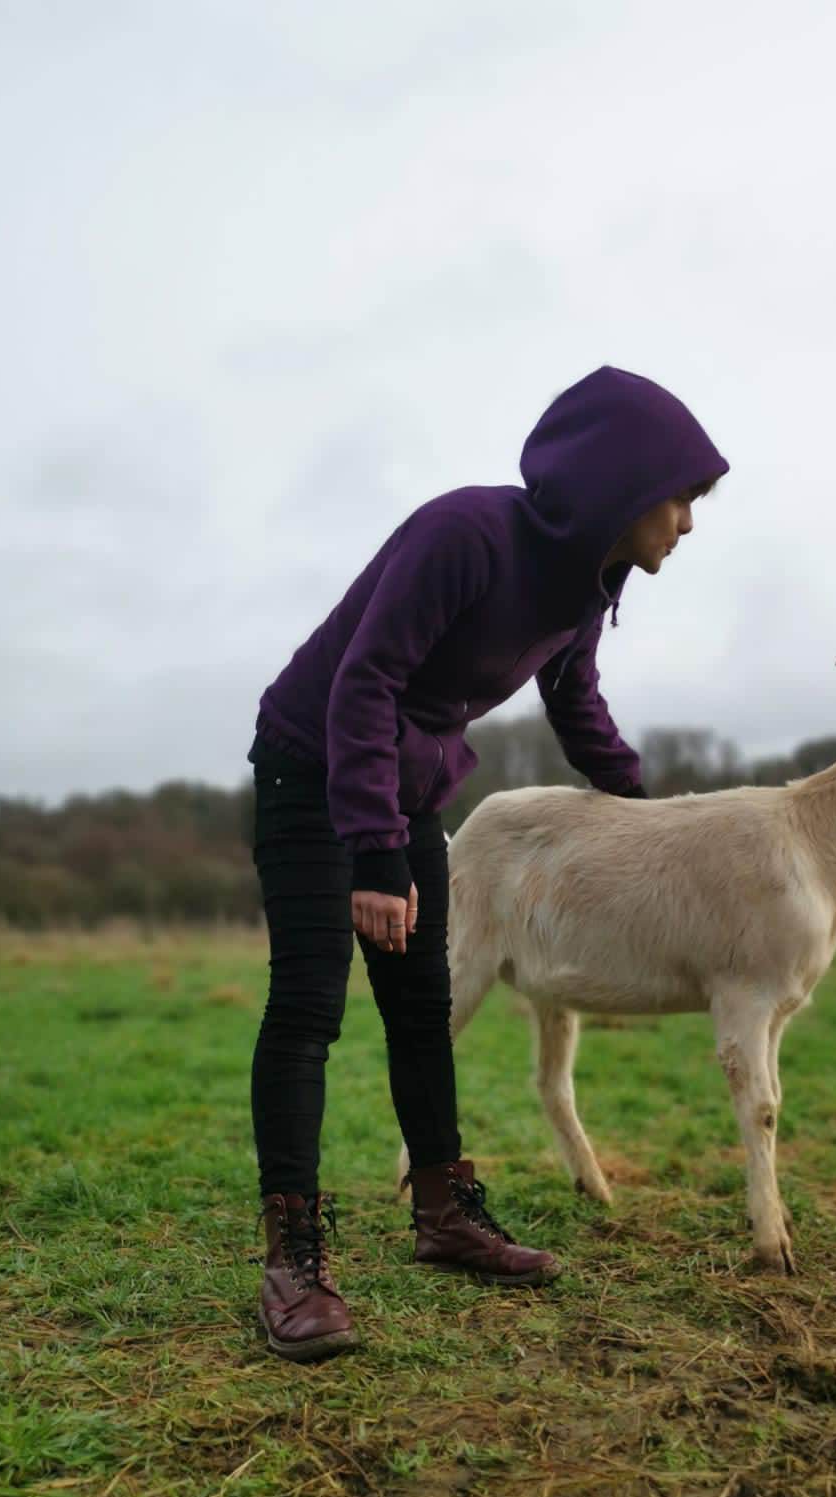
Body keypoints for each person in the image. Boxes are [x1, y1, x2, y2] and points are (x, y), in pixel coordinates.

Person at [248, 365, 728, 1361]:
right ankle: (292, 1259)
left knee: (421, 1007)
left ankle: (443, 1214)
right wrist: (377, 858)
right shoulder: (466, 535)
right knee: (307, 1009)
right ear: (621, 482)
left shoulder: (581, 585)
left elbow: (575, 703)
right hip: (312, 763)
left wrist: (646, 816)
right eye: (678, 496)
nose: (686, 521)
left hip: (408, 785)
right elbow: (364, 682)